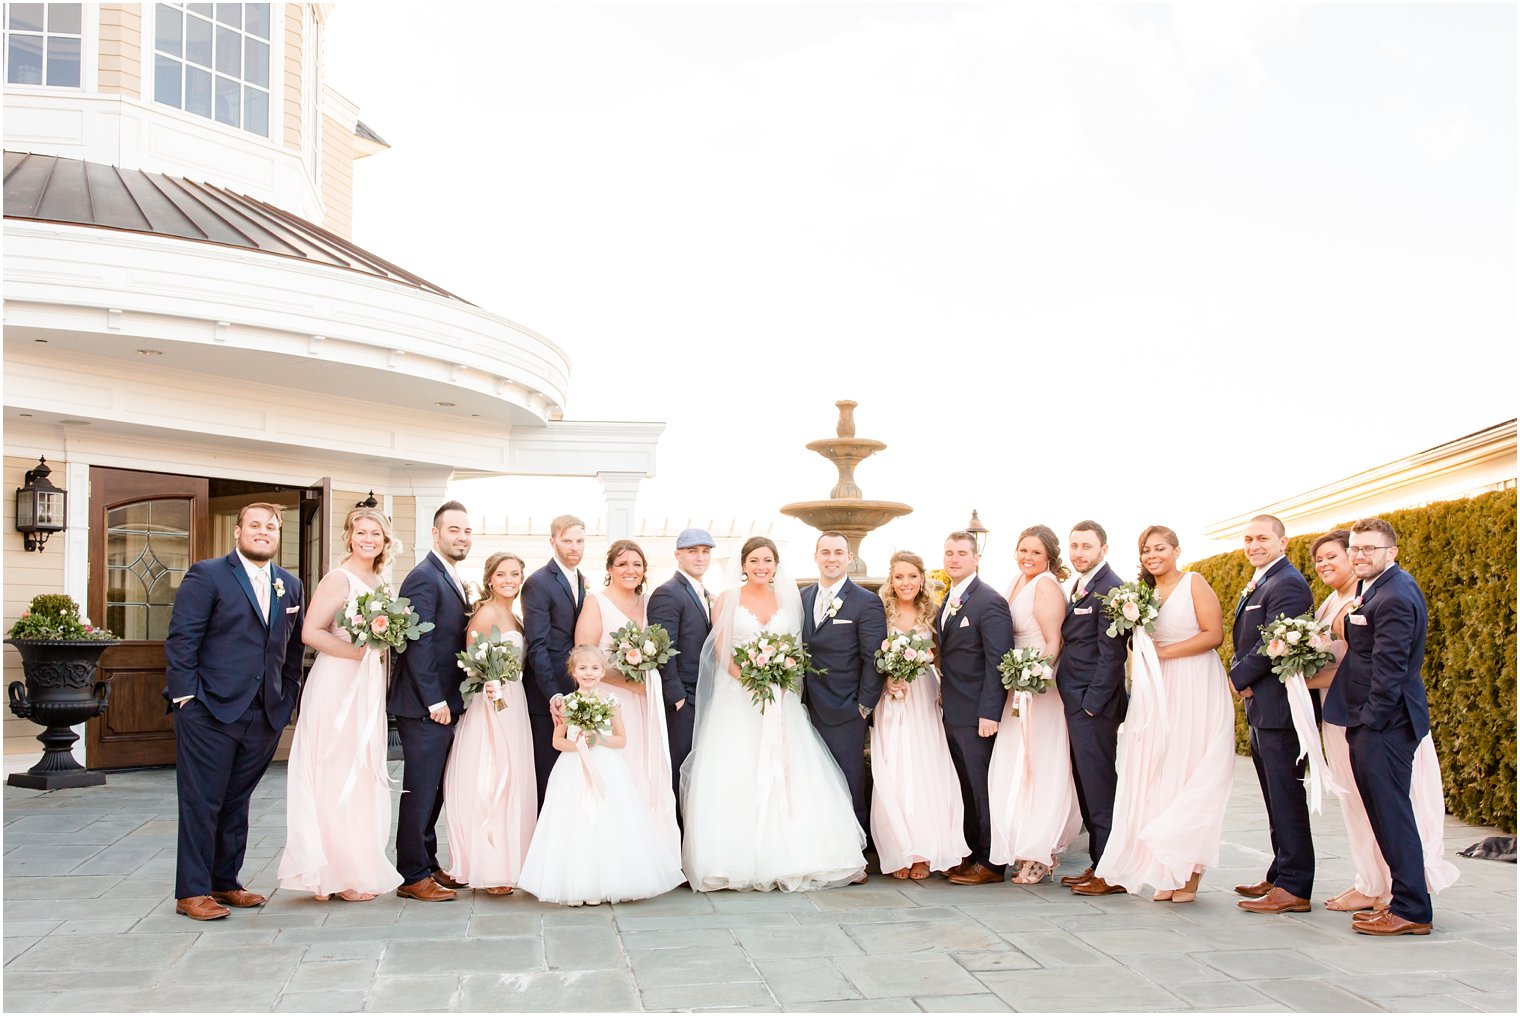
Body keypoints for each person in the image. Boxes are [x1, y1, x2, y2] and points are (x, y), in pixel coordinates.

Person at [681, 536, 866, 891]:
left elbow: (797, 649)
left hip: (781, 698)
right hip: (738, 700)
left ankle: (800, 854)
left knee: (792, 771)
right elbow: (721, 652)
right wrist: (752, 683)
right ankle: (734, 860)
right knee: (738, 770)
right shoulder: (727, 599)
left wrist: (780, 680)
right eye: (754, 561)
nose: (761, 567)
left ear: (776, 565)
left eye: (767, 560)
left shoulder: (789, 599)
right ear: (744, 565)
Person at [165, 502, 305, 920]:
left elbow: (292, 650)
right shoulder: (207, 575)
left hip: (263, 714)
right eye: (255, 525)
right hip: (208, 708)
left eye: (271, 527)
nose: (263, 532)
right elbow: (182, 640)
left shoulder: (290, 585)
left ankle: (225, 882)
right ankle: (191, 891)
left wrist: (287, 698)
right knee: (201, 800)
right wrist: (185, 698)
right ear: (237, 531)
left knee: (236, 800)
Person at [1309, 529, 1456, 916]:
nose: (1359, 554)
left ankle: (1410, 910)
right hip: (1371, 722)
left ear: (1392, 550)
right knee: (1384, 815)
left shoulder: (1394, 594)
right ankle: (1397, 900)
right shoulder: (1375, 588)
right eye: (1355, 547)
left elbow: (1389, 672)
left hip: (1385, 725)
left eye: (1368, 548)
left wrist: (1368, 725)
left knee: (1394, 816)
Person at [1090, 526, 1234, 902]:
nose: (1153, 555)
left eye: (1160, 548)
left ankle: (1188, 872)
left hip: (1193, 682)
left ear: (1176, 550)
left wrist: (1163, 655)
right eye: (1146, 550)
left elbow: (1213, 634)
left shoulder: (1194, 582)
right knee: (1154, 770)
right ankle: (1165, 869)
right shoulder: (1139, 594)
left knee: (1187, 767)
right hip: (1155, 688)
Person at [277, 508, 403, 901]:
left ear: (385, 541)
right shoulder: (339, 579)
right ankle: (330, 873)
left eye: (376, 534)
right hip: (337, 683)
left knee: (361, 770)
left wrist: (378, 651)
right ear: (349, 537)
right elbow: (310, 632)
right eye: (361, 532)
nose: (369, 539)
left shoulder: (380, 582)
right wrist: (358, 652)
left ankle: (353, 865)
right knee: (334, 768)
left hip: (366, 684)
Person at [518, 646, 686, 906]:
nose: (589, 673)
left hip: (607, 767)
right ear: (573, 672)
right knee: (576, 821)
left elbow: (621, 740)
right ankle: (578, 883)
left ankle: (606, 880)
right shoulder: (567, 703)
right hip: (573, 768)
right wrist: (579, 746)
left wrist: (598, 739)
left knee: (608, 818)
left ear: (603, 671)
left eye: (595, 668)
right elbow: (557, 742)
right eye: (582, 668)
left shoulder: (610, 702)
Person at [1229, 514, 1316, 915]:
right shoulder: (1264, 579)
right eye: (1248, 539)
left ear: (1283, 541)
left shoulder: (1289, 583)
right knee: (1272, 795)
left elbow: (1274, 642)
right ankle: (1280, 872)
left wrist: (1238, 675)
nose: (1253, 545)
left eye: (1262, 537)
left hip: (1279, 706)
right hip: (1261, 704)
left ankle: (1295, 886)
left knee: (1286, 795)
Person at [387, 500, 473, 902]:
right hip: (425, 705)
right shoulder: (424, 577)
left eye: (467, 531)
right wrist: (434, 699)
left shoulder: (450, 576)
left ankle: (428, 861)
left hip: (443, 703)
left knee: (435, 787)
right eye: (454, 530)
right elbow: (417, 644)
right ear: (436, 534)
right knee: (420, 789)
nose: (462, 537)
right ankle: (412, 874)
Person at [988, 525, 1082, 885]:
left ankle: (1042, 850)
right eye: (1022, 550)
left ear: (1048, 558)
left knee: (1040, 764)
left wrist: (1033, 678)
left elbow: (1053, 640)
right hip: (1017, 686)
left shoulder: (1046, 585)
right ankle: (1022, 843)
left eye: (1035, 553)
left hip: (1039, 690)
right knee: (1016, 765)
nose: (1027, 557)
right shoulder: (1016, 581)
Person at [574, 539, 680, 856]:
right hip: (611, 704)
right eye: (622, 564)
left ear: (645, 570)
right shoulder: (596, 602)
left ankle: (650, 855)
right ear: (609, 569)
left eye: (636, 564)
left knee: (647, 773)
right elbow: (584, 656)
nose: (630, 570)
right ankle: (612, 855)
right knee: (614, 773)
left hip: (648, 706)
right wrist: (629, 683)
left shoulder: (652, 603)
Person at [441, 552, 537, 895]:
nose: (509, 580)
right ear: (490, 579)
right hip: (489, 703)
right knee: (491, 776)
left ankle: (512, 861)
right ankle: (491, 866)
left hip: (515, 703)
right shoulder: (484, 614)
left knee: (515, 780)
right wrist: (490, 685)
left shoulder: (515, 615)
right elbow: (470, 663)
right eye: (502, 574)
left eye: (515, 573)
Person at [871, 550, 969, 880]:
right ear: (890, 579)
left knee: (926, 767)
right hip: (892, 697)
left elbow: (942, 655)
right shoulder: (879, 611)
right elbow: (870, 653)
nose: (906, 583)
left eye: (912, 576)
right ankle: (899, 847)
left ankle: (924, 851)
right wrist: (887, 676)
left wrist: (943, 684)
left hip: (923, 695)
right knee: (894, 767)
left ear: (922, 578)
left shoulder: (934, 611)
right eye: (899, 576)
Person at [937, 530, 1016, 887]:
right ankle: (971, 854)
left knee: (983, 787)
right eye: (949, 553)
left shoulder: (989, 601)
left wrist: (990, 713)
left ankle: (991, 862)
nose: (954, 559)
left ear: (976, 558)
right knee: (966, 786)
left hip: (976, 715)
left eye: (961, 554)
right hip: (953, 710)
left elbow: (997, 661)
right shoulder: (948, 598)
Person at [801, 531, 888, 843]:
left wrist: (863, 706)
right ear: (816, 556)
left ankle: (856, 849)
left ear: (849, 558)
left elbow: (874, 658)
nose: (832, 558)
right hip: (804, 706)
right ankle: (820, 843)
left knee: (849, 778)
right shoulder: (801, 598)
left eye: (838, 552)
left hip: (845, 708)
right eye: (825, 552)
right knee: (812, 778)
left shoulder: (867, 602)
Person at [1056, 521, 1128, 893]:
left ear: (1104, 548)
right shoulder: (1081, 585)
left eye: (1086, 546)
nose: (1079, 552)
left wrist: (1091, 706)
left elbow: (1111, 656)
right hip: (1075, 702)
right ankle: (1099, 862)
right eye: (1074, 546)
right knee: (1087, 785)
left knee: (1100, 786)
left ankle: (1111, 871)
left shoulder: (1111, 589)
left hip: (1093, 707)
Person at [647, 528, 714, 814]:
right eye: (692, 551)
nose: (700, 557)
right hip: (683, 699)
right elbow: (662, 649)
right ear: (678, 555)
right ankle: (677, 838)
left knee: (698, 768)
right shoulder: (667, 593)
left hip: (704, 696)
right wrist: (677, 697)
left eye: (705, 551)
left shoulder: (706, 594)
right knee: (679, 768)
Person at [522, 514, 588, 806]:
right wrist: (554, 693)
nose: (574, 547)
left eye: (580, 540)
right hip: (547, 696)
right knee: (546, 776)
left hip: (576, 689)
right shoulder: (538, 582)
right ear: (553, 542)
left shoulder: (581, 580)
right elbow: (537, 645)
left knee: (572, 774)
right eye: (567, 540)